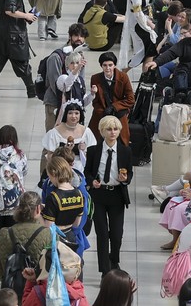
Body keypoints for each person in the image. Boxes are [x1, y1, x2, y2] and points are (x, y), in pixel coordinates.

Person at [84, 115, 132, 273]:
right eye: (109, 129)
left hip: (117, 195)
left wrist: (124, 179)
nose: (113, 132)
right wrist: (92, 182)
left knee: (117, 235)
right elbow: (88, 172)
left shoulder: (125, 151)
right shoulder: (93, 151)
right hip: (99, 195)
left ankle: (114, 260)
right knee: (102, 234)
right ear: (102, 132)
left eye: (116, 129)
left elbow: (129, 174)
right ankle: (105, 270)